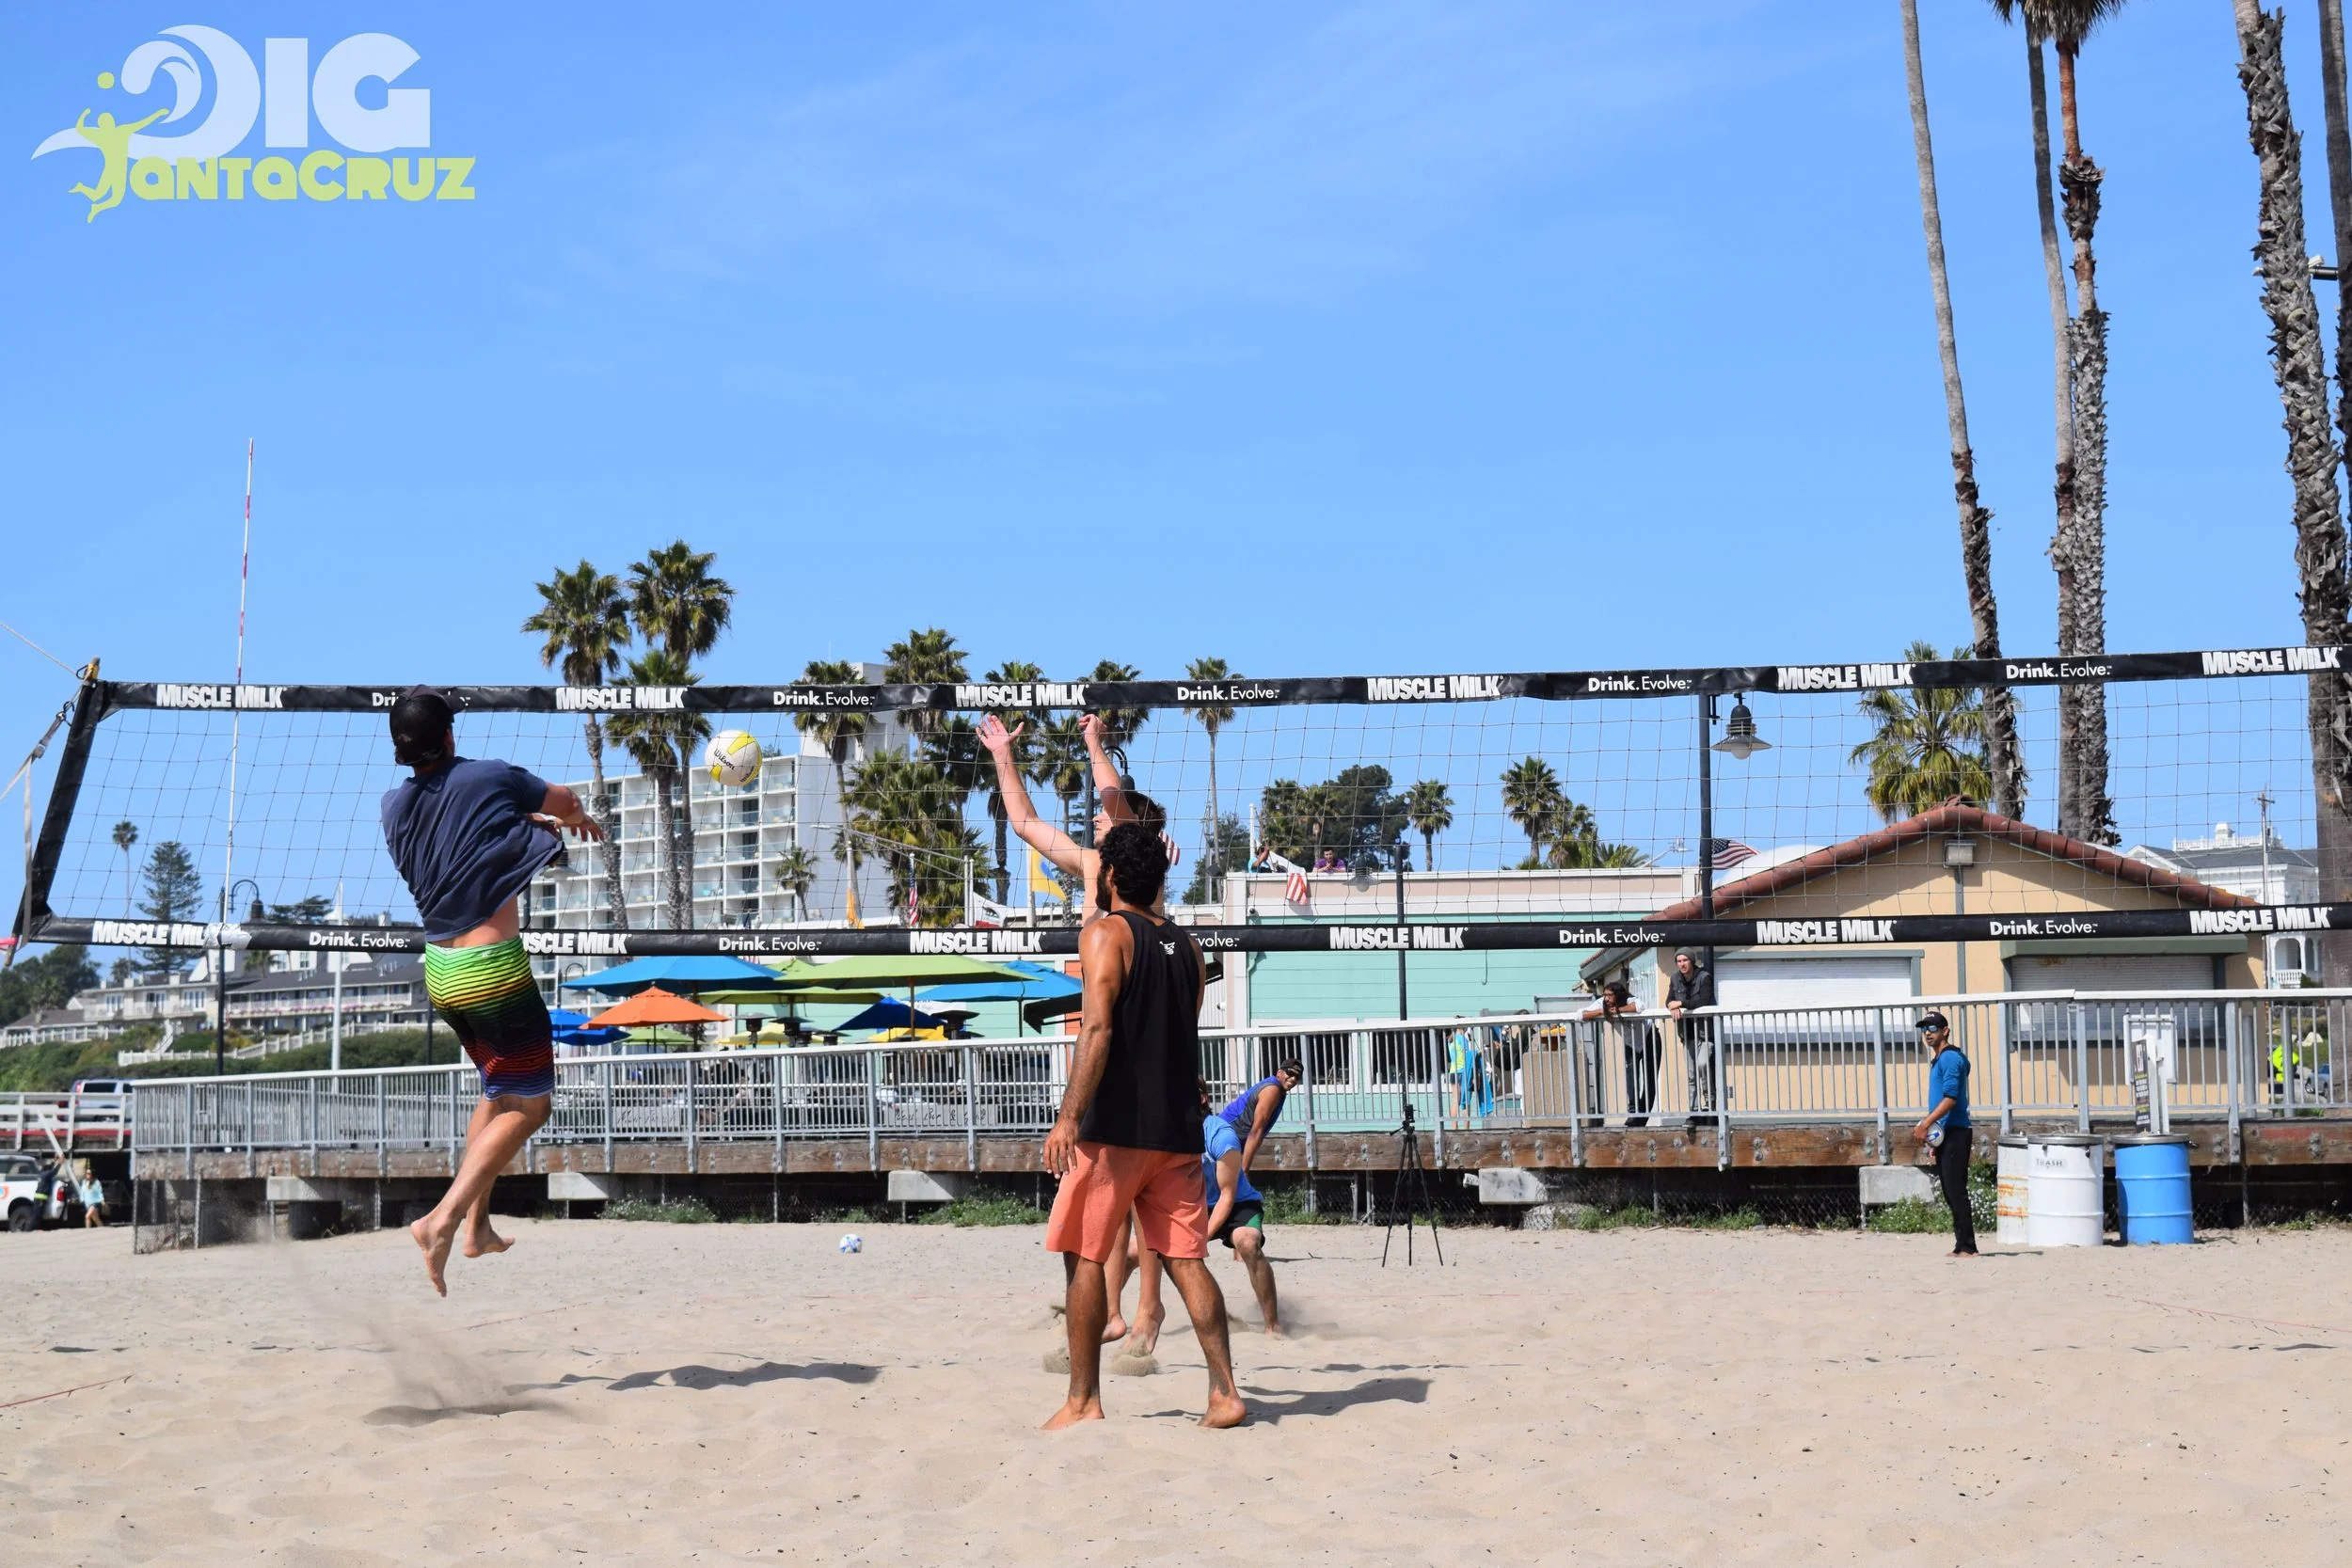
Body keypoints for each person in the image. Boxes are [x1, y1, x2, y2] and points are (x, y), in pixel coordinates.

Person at [379, 685, 605, 1295]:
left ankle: (476, 1228)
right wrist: (571, 817)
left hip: (442, 973)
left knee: (498, 1091)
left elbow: (472, 836)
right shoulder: (491, 776)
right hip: (491, 971)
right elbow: (566, 798)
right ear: (450, 734)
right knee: (532, 1106)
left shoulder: (392, 808)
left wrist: (532, 820)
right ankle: (443, 1219)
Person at [1041, 822, 1245, 1431]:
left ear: (1107, 876)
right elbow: (1178, 1030)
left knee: (1083, 1255)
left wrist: (1069, 1116)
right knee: (1187, 1260)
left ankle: (1083, 1400)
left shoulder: (1105, 933)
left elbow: (1099, 1030)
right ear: (1160, 878)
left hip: (1116, 1130)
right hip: (1179, 1130)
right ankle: (1225, 1392)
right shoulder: (1189, 948)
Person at [1200, 1077, 1282, 1337]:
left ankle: (1272, 1324)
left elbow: (1227, 1195)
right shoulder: (1167, 1133)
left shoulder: (1220, 1134)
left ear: (1203, 1098)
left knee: (1247, 1242)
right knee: (1135, 1253)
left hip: (1237, 1203)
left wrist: (1201, 1238)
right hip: (1198, 1204)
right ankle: (1109, 1313)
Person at [1910, 1012, 1977, 1257]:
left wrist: (1925, 1125)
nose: (1927, 1032)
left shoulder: (1949, 1059)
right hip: (1946, 1132)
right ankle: (1961, 1245)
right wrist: (1934, 1136)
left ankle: (1968, 1247)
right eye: (1924, 1028)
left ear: (1945, 1031)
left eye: (1933, 1028)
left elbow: (1950, 1099)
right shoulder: (1940, 1059)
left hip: (1956, 1132)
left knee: (1956, 1189)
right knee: (1950, 1190)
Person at [1582, 980, 1660, 1127]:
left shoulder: (1629, 1000)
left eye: (1610, 995)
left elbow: (1640, 1006)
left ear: (1618, 995)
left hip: (1649, 1037)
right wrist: (1600, 1012)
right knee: (1631, 1076)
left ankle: (1641, 1118)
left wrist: (1619, 1010)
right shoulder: (1602, 1004)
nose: (1606, 998)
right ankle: (1633, 1110)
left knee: (1650, 1079)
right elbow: (1580, 1015)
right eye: (1605, 995)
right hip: (1630, 1043)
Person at [1664, 949, 1718, 1128]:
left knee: (1703, 1065)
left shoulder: (1704, 977)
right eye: (1678, 961)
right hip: (1687, 1034)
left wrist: (1681, 1004)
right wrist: (1672, 1006)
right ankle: (1693, 1112)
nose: (1682, 964)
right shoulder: (1674, 978)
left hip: (1705, 1033)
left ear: (1692, 961)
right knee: (1691, 1075)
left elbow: (1704, 1000)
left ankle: (1710, 1105)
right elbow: (1669, 1000)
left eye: (1685, 960)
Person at [1220, 1058, 1303, 1172]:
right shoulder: (1272, 1090)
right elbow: (1256, 1131)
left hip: (1229, 1141)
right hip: (1222, 1137)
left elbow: (1258, 1134)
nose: (1293, 1079)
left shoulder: (1278, 1090)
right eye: (1290, 1073)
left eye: (1297, 1077)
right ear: (1279, 1073)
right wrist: (1244, 1172)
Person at [78, 1163, 104, 1228]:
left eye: (89, 1173)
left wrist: (102, 1200)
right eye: (86, 1173)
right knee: (96, 1219)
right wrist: (82, 1199)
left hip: (96, 1202)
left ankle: (87, 1231)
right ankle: (103, 1229)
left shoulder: (96, 1182)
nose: (87, 1175)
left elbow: (100, 1192)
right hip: (88, 1203)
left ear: (92, 1174)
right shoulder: (84, 1182)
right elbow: (82, 1192)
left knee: (87, 1216)